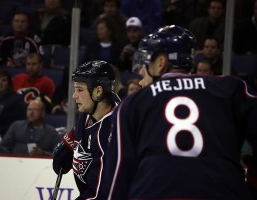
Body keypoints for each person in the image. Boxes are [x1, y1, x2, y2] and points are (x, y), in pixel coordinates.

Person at [102, 25, 257, 199]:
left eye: (146, 63)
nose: (140, 72)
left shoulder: (133, 103)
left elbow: (118, 174)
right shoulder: (231, 88)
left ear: (161, 63)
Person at [52, 60, 120, 199]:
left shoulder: (111, 132)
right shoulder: (89, 112)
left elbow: (97, 195)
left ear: (98, 91)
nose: (74, 95)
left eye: (80, 90)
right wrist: (68, 146)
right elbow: (77, 134)